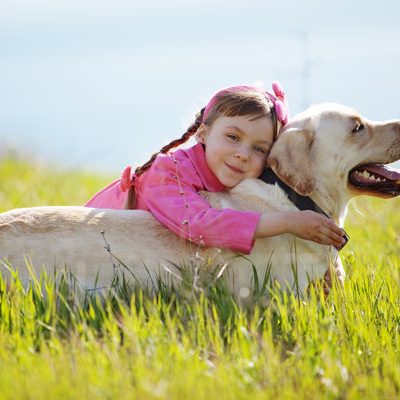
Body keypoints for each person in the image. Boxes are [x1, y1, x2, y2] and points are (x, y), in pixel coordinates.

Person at [85, 82, 346, 254]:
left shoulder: (239, 181)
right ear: (203, 133)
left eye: (259, 149)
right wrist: (288, 222)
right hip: (89, 248)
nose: (243, 154)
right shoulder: (168, 173)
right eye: (233, 137)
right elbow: (199, 224)